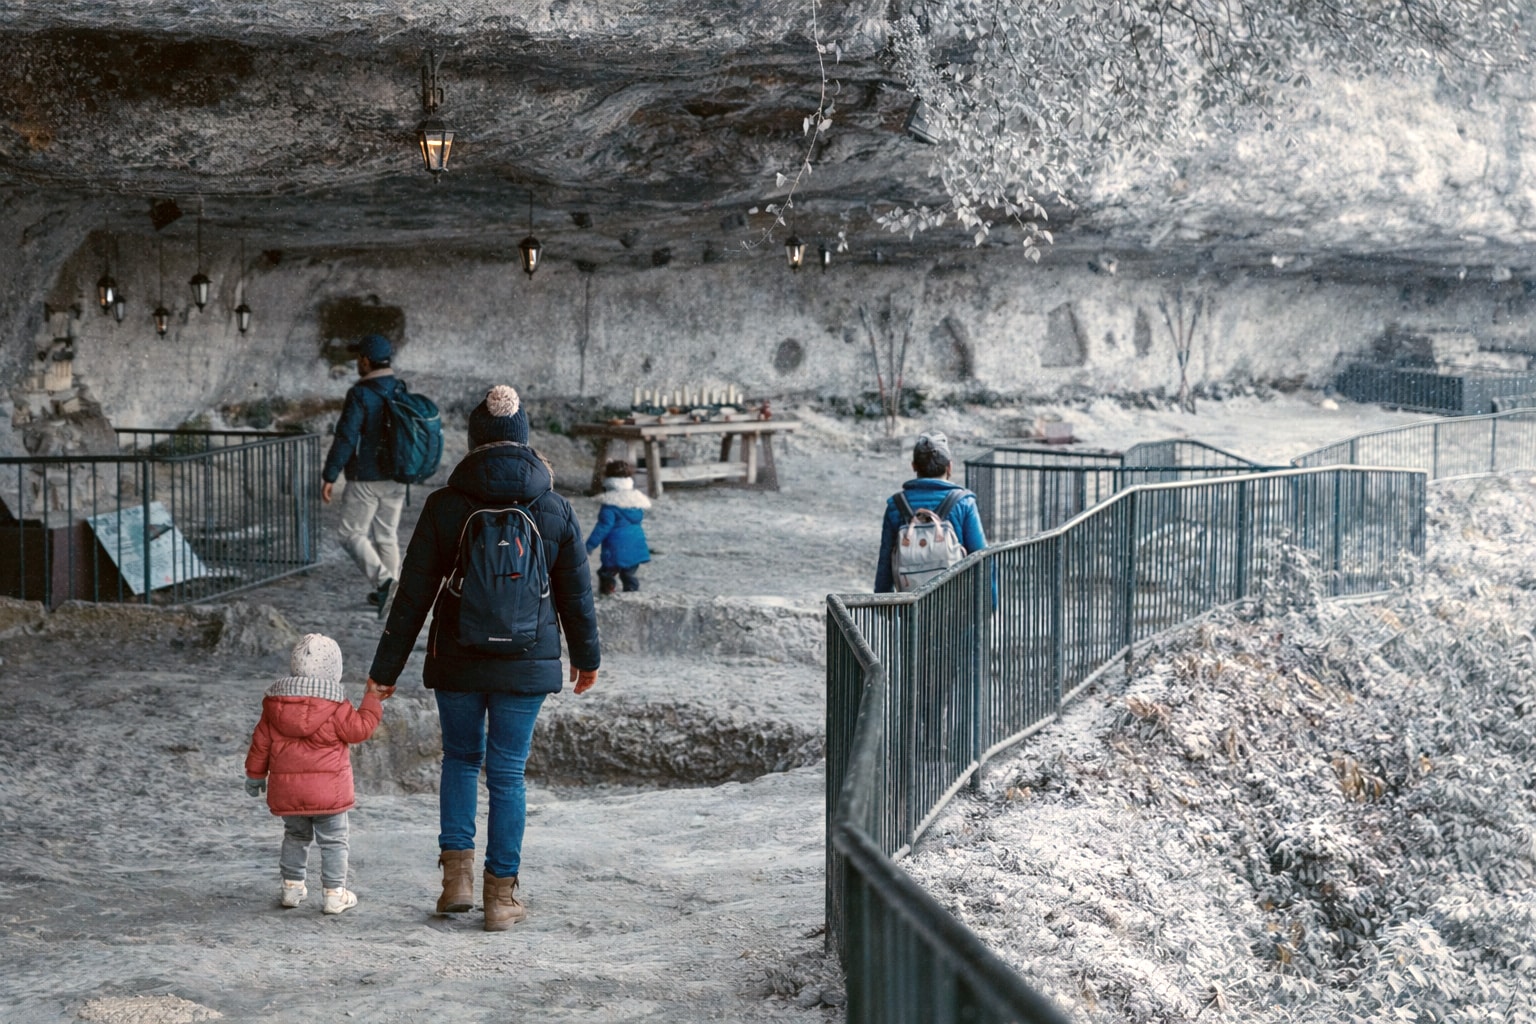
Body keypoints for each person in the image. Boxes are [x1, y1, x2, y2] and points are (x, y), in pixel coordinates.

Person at [366, 385, 600, 931]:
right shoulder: (553, 507)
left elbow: (413, 596)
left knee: (461, 760)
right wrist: (586, 659)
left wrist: (384, 674)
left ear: (473, 442)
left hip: (458, 658)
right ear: (524, 443)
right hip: (527, 660)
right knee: (509, 774)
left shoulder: (446, 506)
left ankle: (456, 883)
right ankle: (501, 897)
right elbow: (576, 595)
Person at [244, 633, 386, 915]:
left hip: (288, 792)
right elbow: (359, 730)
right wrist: (372, 700)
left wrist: (255, 775)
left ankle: (291, 888)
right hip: (329, 794)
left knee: (295, 836)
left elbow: (260, 743)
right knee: (334, 840)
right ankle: (334, 893)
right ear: (335, 671)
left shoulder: (275, 705)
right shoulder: (336, 706)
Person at [321, 333, 406, 616]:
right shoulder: (400, 388)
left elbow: (346, 437)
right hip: (397, 475)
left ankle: (385, 584)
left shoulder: (360, 394)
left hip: (366, 477)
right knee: (387, 535)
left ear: (366, 361)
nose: (357, 362)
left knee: (350, 533)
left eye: (359, 358)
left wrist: (330, 474)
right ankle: (393, 598)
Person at [874, 431, 987, 593]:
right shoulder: (964, 503)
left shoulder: (896, 506)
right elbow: (981, 557)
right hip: (956, 607)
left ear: (914, 466)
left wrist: (885, 607)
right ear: (949, 467)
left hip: (911, 608)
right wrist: (989, 603)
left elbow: (885, 563)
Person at [585, 459, 651, 594]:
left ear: (608, 479)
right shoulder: (636, 501)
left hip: (615, 548)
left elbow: (603, 527)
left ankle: (608, 590)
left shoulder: (610, 504)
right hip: (636, 544)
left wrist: (589, 545)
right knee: (629, 574)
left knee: (606, 573)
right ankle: (632, 593)